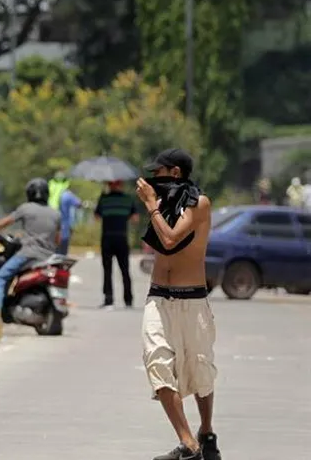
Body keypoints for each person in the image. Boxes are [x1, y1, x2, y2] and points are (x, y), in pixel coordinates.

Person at [136, 148, 220, 460]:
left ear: (175, 173)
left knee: (200, 369)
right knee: (157, 363)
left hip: (192, 300)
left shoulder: (200, 203)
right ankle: (189, 444)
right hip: (159, 297)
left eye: (157, 173)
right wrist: (156, 206)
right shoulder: (164, 204)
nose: (152, 180)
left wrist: (151, 207)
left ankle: (206, 433)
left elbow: (171, 240)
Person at [0, 178, 61, 309]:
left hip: (28, 254)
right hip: (49, 257)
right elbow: (58, 239)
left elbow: (5, 222)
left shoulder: (26, 208)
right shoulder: (56, 213)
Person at [94, 180, 139, 309]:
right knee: (124, 270)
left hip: (108, 238)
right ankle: (128, 300)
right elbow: (135, 219)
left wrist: (102, 201)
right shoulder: (128, 199)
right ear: (121, 184)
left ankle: (109, 299)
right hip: (121, 237)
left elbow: (97, 217)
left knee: (108, 270)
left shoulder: (104, 199)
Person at [57, 184, 81, 255]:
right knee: (62, 250)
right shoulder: (68, 195)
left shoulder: (53, 193)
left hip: (52, 224)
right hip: (64, 227)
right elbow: (79, 204)